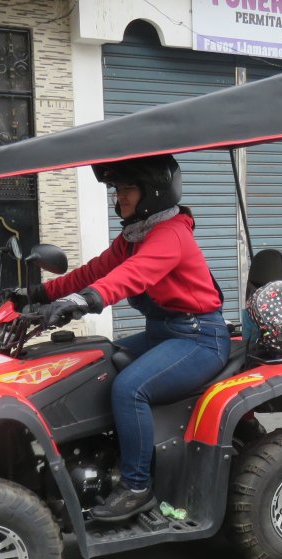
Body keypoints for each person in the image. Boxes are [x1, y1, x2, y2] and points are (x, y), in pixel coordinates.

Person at [27, 154, 230, 522]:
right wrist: (36, 295)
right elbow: (93, 271)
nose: (118, 197)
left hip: (200, 339)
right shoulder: (136, 234)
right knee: (94, 365)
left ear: (152, 191)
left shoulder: (170, 234)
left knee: (129, 388)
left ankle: (137, 487)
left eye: (127, 189)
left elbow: (132, 276)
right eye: (117, 189)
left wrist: (84, 301)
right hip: (163, 332)